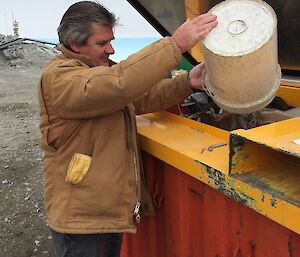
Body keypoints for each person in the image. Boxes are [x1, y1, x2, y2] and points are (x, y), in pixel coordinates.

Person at [38, 1, 217, 257]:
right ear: (76, 44)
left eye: (111, 41)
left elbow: (139, 96)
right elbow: (120, 83)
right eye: (102, 43)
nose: (111, 49)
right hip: (82, 220)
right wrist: (174, 45)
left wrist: (188, 82)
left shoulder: (95, 70)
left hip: (103, 211)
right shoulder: (60, 77)